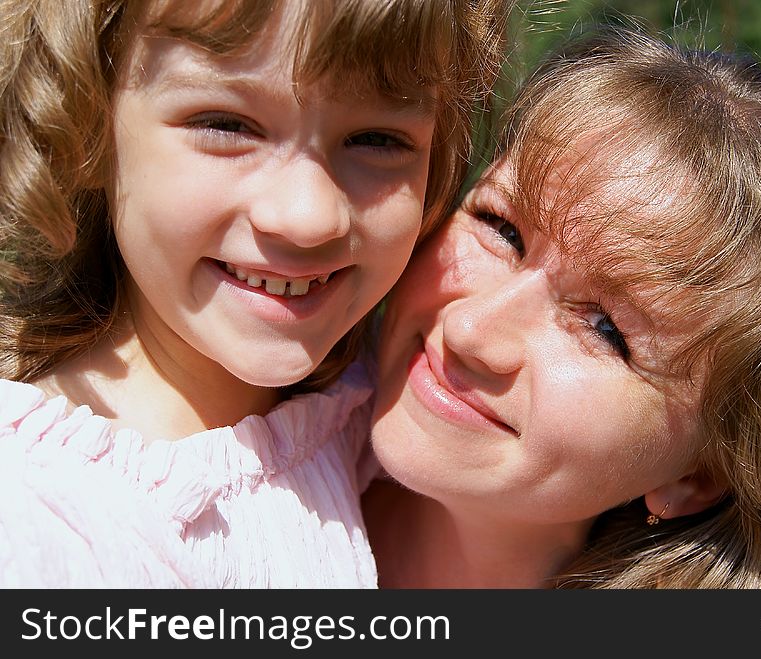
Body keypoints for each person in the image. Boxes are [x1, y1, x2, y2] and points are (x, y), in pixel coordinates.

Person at [0, 0, 507, 587]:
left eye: (377, 138)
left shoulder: (366, 414)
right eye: (226, 125)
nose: (307, 216)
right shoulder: (33, 517)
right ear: (88, 120)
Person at [361, 25, 761, 588]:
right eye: (501, 228)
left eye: (607, 328)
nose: (469, 329)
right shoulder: (263, 444)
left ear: (698, 477)